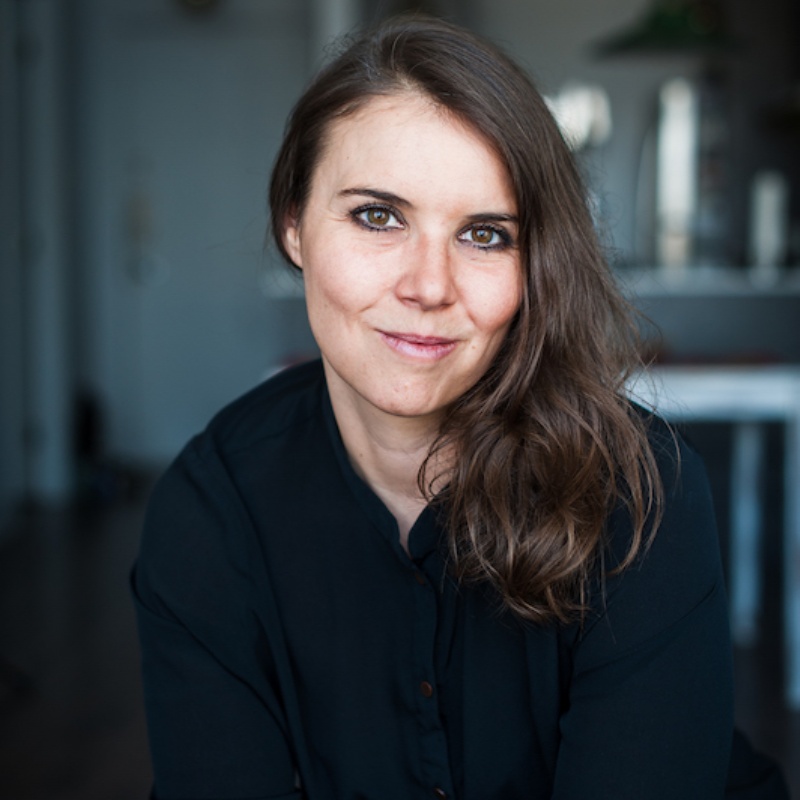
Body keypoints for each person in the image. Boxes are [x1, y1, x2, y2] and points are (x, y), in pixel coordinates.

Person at [131, 14, 789, 800]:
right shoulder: (211, 514)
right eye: (378, 216)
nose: (429, 286)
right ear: (294, 225)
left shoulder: (641, 494)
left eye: (484, 235)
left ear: (535, 264)